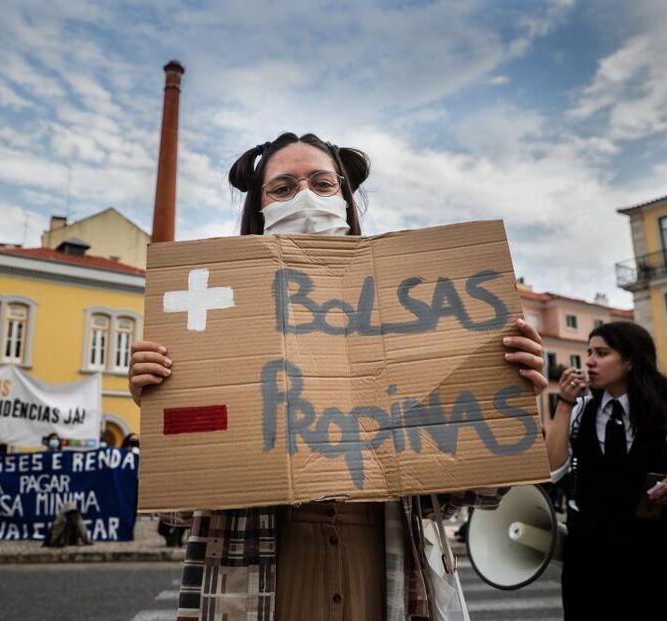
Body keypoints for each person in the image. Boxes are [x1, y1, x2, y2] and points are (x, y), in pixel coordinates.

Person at [130, 132, 548, 620]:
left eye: (323, 184)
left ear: (346, 198)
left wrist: (511, 394)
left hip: (384, 576)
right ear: (257, 207)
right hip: (263, 580)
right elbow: (178, 510)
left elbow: (466, 492)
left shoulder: (403, 304)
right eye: (282, 188)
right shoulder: (208, 317)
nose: (305, 197)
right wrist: (161, 408)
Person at [545, 321, 667, 621]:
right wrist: (564, 404)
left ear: (631, 360)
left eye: (602, 353)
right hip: (587, 567)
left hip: (649, 565)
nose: (589, 361)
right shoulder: (580, 410)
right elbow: (552, 471)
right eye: (589, 352)